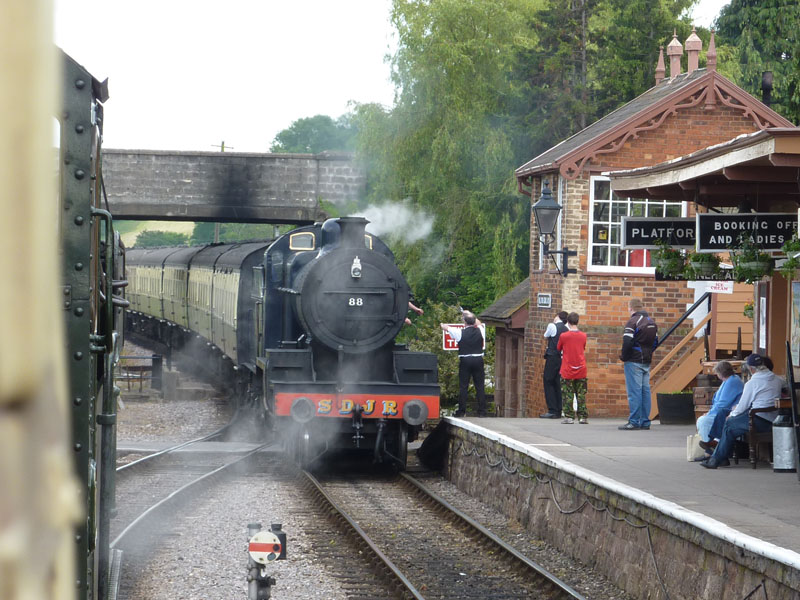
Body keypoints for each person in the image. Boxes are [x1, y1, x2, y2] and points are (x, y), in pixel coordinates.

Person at [701, 353, 785, 469]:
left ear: (751, 368)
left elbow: (742, 407)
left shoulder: (752, 383)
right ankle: (717, 449)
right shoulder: (777, 379)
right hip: (771, 418)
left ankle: (716, 457)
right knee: (722, 413)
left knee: (729, 424)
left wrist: (732, 416)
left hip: (758, 420)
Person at [619, 298, 658, 431]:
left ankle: (634, 421)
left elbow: (627, 342)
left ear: (631, 308)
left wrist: (624, 357)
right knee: (645, 391)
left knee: (634, 392)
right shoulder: (651, 322)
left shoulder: (633, 321)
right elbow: (655, 341)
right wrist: (648, 353)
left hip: (633, 361)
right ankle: (645, 421)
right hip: (646, 360)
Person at [441, 311, 486, 417]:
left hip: (465, 361)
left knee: (463, 386)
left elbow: (444, 327)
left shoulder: (459, 332)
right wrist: (468, 313)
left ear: (464, 322)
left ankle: (462, 411)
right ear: (474, 322)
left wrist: (442, 324)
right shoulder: (480, 330)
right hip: (478, 359)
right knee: (479, 386)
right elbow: (478, 323)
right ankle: (482, 411)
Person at [695, 361, 743, 451]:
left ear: (721, 373)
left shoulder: (732, 381)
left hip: (728, 412)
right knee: (703, 420)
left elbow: (723, 403)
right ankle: (711, 451)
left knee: (703, 421)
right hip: (724, 411)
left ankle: (710, 451)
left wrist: (709, 413)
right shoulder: (730, 380)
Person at [556, 312, 588, 424]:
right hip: (581, 367)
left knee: (567, 393)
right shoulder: (583, 336)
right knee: (581, 393)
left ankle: (569, 416)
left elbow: (558, 347)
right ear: (577, 321)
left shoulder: (564, 336)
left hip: (567, 368)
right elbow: (582, 347)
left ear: (568, 322)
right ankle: (582, 417)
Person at [541, 311, 569, 418]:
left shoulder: (552, 326)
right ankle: (559, 409)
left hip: (552, 357)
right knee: (558, 382)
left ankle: (552, 409)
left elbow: (545, 335)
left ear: (557, 317)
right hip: (562, 358)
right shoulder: (567, 329)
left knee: (548, 381)